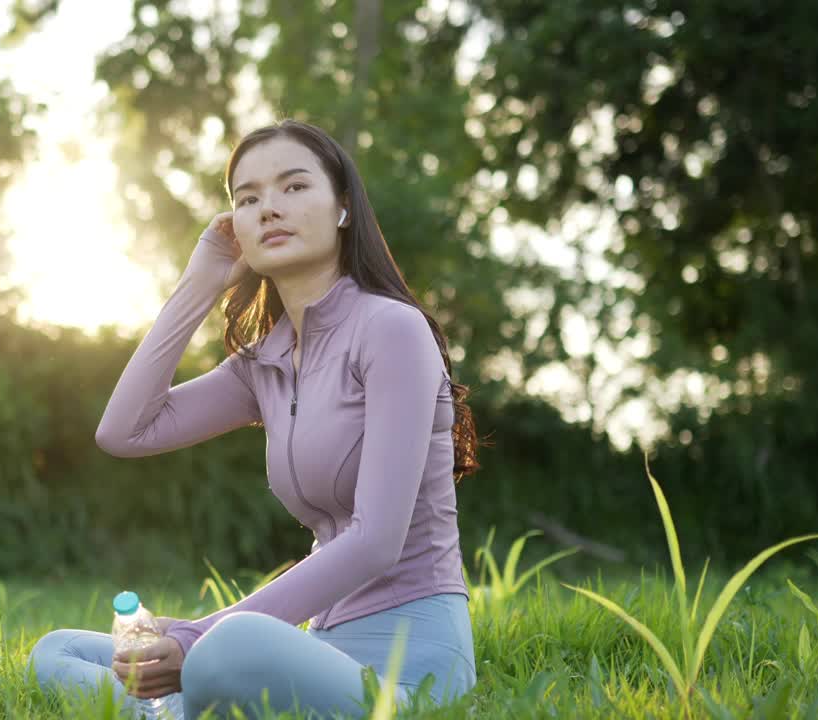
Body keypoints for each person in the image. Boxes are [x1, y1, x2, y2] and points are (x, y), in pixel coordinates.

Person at [26, 118, 481, 719]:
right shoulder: (263, 364)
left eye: (294, 187)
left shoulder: (390, 329)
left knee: (231, 643)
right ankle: (182, 706)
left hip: (411, 665)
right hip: (316, 647)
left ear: (343, 208)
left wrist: (194, 636)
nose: (270, 208)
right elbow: (123, 431)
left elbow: (375, 542)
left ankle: (180, 704)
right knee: (58, 650)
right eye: (248, 198)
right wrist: (201, 282)